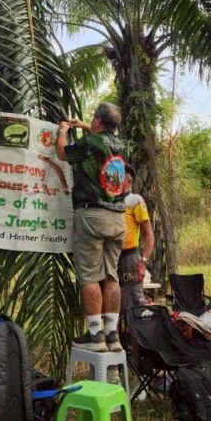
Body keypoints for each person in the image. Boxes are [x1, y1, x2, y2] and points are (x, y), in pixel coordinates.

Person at [56, 103, 128, 353]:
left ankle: (95, 335)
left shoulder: (88, 143)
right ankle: (112, 335)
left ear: (98, 121)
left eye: (93, 119)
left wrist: (63, 131)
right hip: (118, 217)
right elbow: (103, 140)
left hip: (92, 215)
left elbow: (63, 153)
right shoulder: (122, 145)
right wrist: (85, 126)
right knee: (111, 276)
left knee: (89, 275)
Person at [119, 165, 155, 309]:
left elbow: (149, 234)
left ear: (128, 180)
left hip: (129, 258)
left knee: (133, 305)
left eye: (120, 175)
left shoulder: (135, 200)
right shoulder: (109, 201)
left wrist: (143, 262)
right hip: (111, 257)